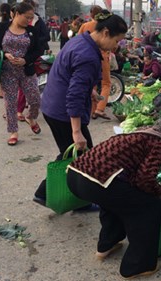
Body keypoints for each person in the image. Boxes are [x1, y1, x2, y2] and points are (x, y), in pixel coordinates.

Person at [66, 111, 161, 279]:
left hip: (75, 175)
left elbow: (134, 175)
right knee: (150, 205)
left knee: (119, 198)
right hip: (95, 183)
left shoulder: (144, 131)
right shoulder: (159, 142)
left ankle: (108, 244)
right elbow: (144, 181)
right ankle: (138, 265)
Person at [33, 10, 127, 208]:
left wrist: (90, 92)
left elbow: (71, 76)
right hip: (63, 112)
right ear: (106, 32)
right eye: (117, 41)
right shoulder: (87, 56)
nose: (116, 47)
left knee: (72, 156)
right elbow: (74, 95)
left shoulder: (81, 40)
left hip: (53, 105)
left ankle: (49, 194)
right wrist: (76, 132)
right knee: (84, 157)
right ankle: (72, 199)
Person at [0, 2, 43, 145]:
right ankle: (13, 132)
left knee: (35, 98)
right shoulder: (1, 28)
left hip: (26, 70)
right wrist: (5, 54)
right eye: (27, 17)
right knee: (10, 103)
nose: (29, 21)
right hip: (7, 71)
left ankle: (31, 117)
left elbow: (38, 50)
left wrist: (25, 60)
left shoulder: (32, 31)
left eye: (31, 18)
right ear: (17, 14)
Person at [78, 5, 112, 120]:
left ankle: (92, 111)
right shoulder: (104, 26)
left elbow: (79, 40)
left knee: (91, 84)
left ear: (91, 14)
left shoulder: (85, 26)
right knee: (106, 84)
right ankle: (100, 109)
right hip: (103, 57)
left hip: (88, 58)